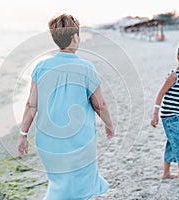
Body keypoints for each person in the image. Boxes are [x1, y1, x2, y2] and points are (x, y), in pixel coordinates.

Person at [17, 13, 115, 199]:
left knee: (60, 185)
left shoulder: (40, 67)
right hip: (79, 140)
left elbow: (31, 104)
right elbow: (100, 104)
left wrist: (23, 134)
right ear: (75, 37)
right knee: (79, 188)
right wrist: (109, 125)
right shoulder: (86, 68)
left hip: (48, 139)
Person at [150, 43, 179, 185]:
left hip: (177, 116)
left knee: (171, 143)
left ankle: (166, 173)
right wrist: (155, 114)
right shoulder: (174, 76)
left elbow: (178, 97)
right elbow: (161, 94)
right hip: (169, 117)